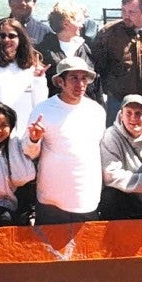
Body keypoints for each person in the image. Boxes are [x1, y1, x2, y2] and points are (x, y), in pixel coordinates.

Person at [23, 57, 106, 225]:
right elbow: (29, 152)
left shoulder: (96, 111)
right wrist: (34, 139)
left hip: (85, 196)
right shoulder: (42, 110)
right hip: (52, 197)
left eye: (84, 78)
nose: (80, 83)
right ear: (60, 81)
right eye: (74, 78)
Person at [36, 0, 103, 102]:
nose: (81, 25)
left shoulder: (84, 48)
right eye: (78, 21)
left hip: (84, 107)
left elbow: (96, 82)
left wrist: (100, 107)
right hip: (55, 107)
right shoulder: (43, 51)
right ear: (66, 23)